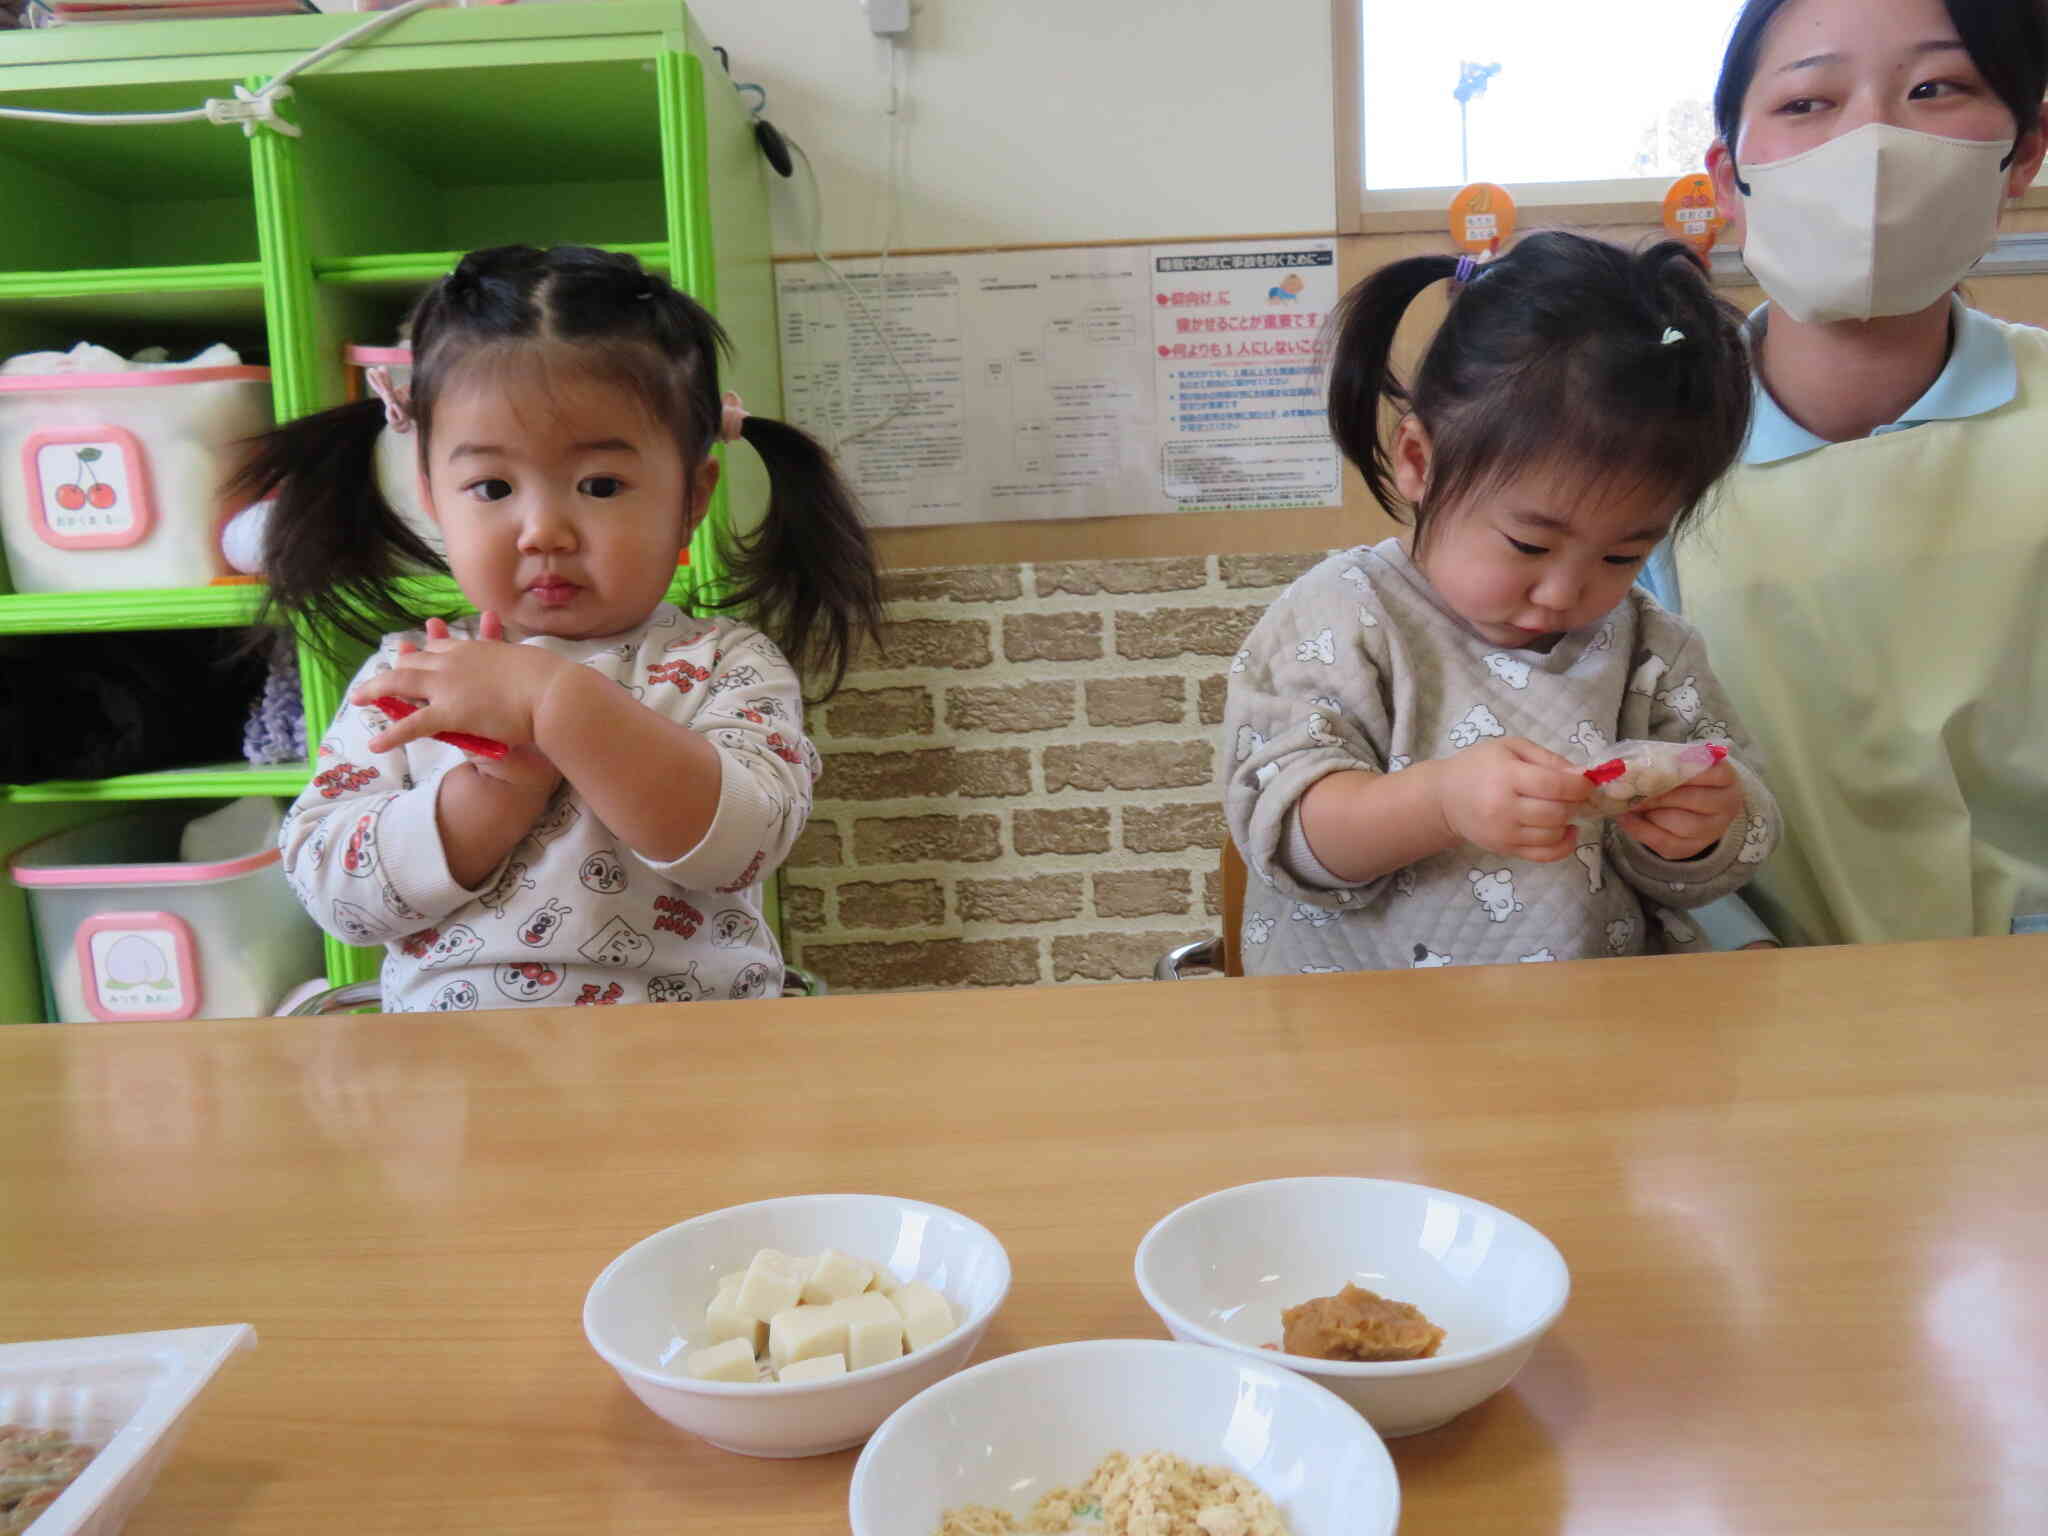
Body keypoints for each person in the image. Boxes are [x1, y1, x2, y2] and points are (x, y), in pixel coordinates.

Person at [246, 244, 880, 1011]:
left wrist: (562, 705)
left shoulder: (723, 664)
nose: (543, 529)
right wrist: (488, 801)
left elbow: (744, 845)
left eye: (601, 484)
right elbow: (335, 894)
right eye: (492, 486)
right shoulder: (412, 674)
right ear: (432, 495)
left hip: (696, 1074)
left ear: (693, 493)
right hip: (461, 1089)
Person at [1222, 231, 1779, 974]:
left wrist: (1705, 828)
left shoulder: (1650, 648)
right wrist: (1439, 801)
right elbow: (1287, 834)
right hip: (1366, 1040)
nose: (1563, 593)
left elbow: (1708, 869)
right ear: (1420, 461)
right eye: (1529, 545)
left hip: (1602, 1038)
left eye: (1622, 556)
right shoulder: (1341, 618)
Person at [1648, 0, 2048, 946]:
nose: (1870, 140)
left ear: (2023, 156)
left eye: (1934, 88)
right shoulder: (1643, 456)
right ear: (1729, 179)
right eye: (1808, 101)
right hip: (1747, 1026)